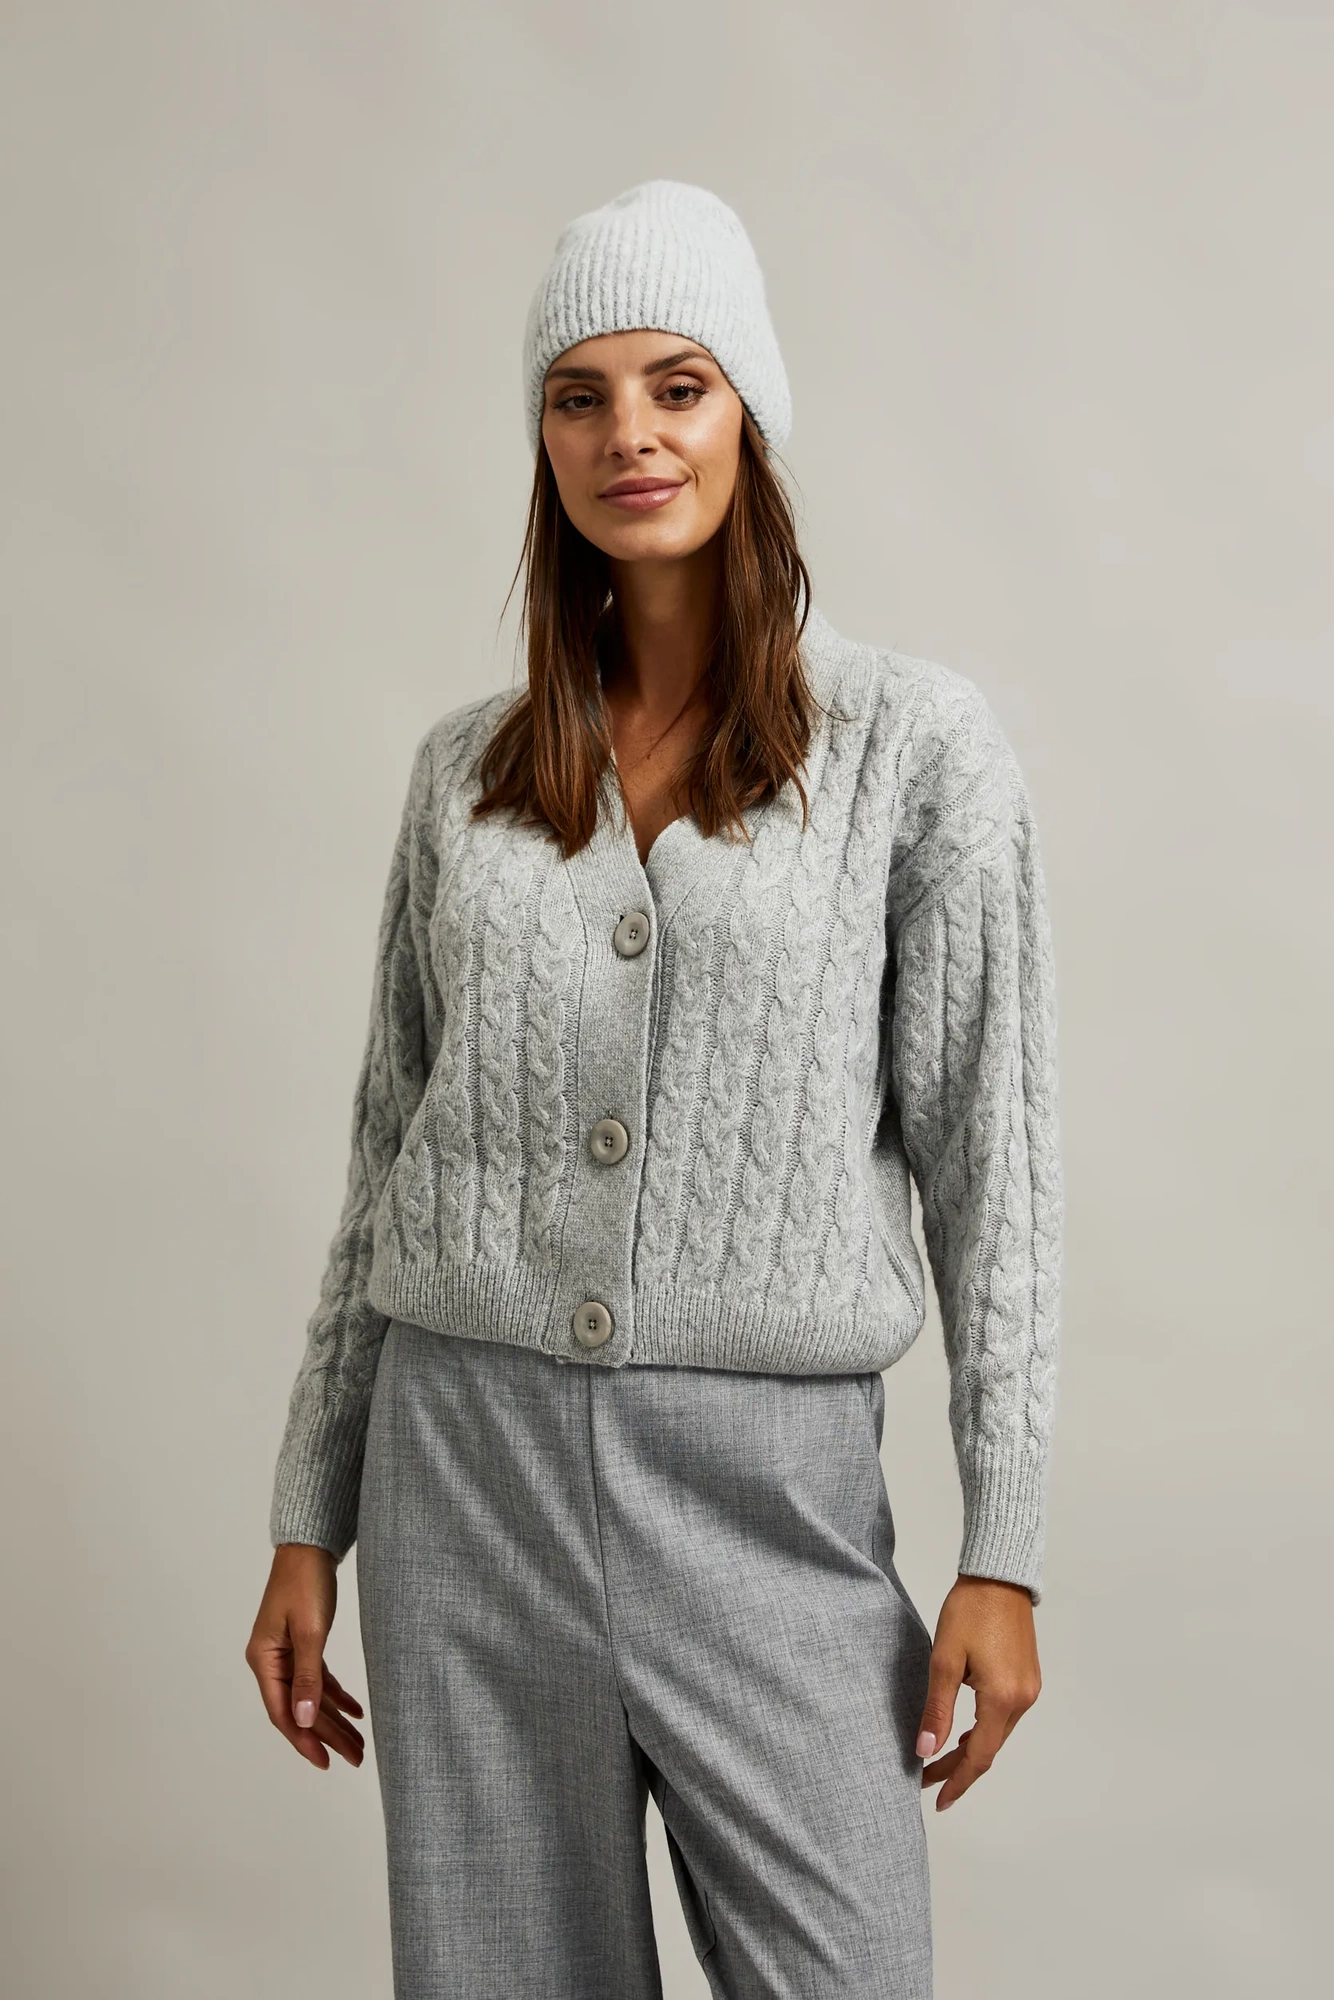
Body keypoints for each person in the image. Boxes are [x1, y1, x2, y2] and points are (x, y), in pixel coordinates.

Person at [245, 178, 1063, 2000]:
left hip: (764, 1492)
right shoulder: (464, 775)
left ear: (746, 413)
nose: (629, 435)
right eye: (580, 396)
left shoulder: (914, 753)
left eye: (676, 387)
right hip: (462, 1478)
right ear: (541, 440)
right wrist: (311, 1513)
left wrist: (1002, 1549)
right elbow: (387, 1160)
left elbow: (991, 1174)